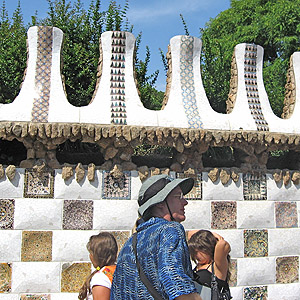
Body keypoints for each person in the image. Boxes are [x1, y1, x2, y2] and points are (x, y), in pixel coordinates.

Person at [111, 174, 202, 300]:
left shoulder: (129, 244)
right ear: (160, 202)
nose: (185, 202)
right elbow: (175, 280)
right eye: (178, 196)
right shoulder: (170, 230)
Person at [188, 230, 231, 299]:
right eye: (193, 252)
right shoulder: (199, 265)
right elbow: (190, 233)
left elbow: (223, 244)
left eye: (197, 252)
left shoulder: (217, 266)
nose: (195, 255)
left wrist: (214, 238)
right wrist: (212, 234)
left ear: (206, 248)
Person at [78, 232, 118, 300]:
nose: (90, 256)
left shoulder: (101, 278)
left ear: (96, 255)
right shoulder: (121, 271)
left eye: (91, 253)